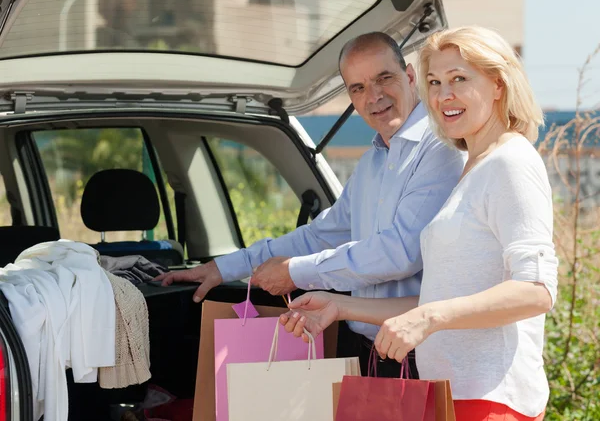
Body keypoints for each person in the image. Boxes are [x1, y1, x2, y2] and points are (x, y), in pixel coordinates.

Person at [279, 25, 558, 421]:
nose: (444, 95)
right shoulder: (474, 168)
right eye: (435, 81)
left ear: (498, 84)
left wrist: (428, 318)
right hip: (449, 393)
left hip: (492, 399)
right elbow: (439, 300)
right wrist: (339, 306)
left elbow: (537, 290)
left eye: (460, 78)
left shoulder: (511, 161)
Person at [155, 32, 466, 378]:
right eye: (358, 88)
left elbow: (401, 252)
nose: (374, 96)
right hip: (374, 358)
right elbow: (319, 235)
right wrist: (222, 269)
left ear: (409, 77)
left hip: (423, 360)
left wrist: (295, 271)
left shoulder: (440, 149)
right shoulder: (371, 164)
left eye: (384, 78)